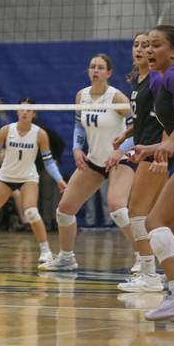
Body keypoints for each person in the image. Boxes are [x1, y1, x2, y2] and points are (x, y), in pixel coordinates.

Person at [41, 54, 133, 271]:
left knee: (117, 208)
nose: (96, 70)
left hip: (121, 160)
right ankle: (66, 258)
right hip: (95, 161)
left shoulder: (117, 98)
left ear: (108, 73)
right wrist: (76, 147)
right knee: (64, 210)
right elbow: (79, 126)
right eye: (92, 66)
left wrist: (121, 151)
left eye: (101, 67)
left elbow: (137, 129)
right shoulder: (81, 96)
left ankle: (143, 259)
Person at [0, 99, 67, 263]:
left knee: (31, 212)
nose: (24, 112)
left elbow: (48, 162)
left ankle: (46, 251)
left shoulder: (40, 134)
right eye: (22, 109)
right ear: (17, 112)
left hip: (28, 177)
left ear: (34, 114)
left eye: (28, 110)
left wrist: (60, 179)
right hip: (6, 177)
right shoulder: (6, 130)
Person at [111, 34, 168, 293]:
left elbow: (169, 119)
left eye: (147, 45)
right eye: (136, 45)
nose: (140, 49)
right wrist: (126, 135)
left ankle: (149, 275)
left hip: (155, 153)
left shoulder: (157, 80)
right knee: (158, 217)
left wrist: (161, 154)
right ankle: (164, 272)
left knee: (138, 213)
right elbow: (142, 118)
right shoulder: (139, 81)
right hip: (146, 149)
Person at [132, 25, 174, 320]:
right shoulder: (156, 83)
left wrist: (172, 143)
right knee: (173, 229)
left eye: (156, 45)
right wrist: (153, 147)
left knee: (155, 220)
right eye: (146, 45)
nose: (149, 51)